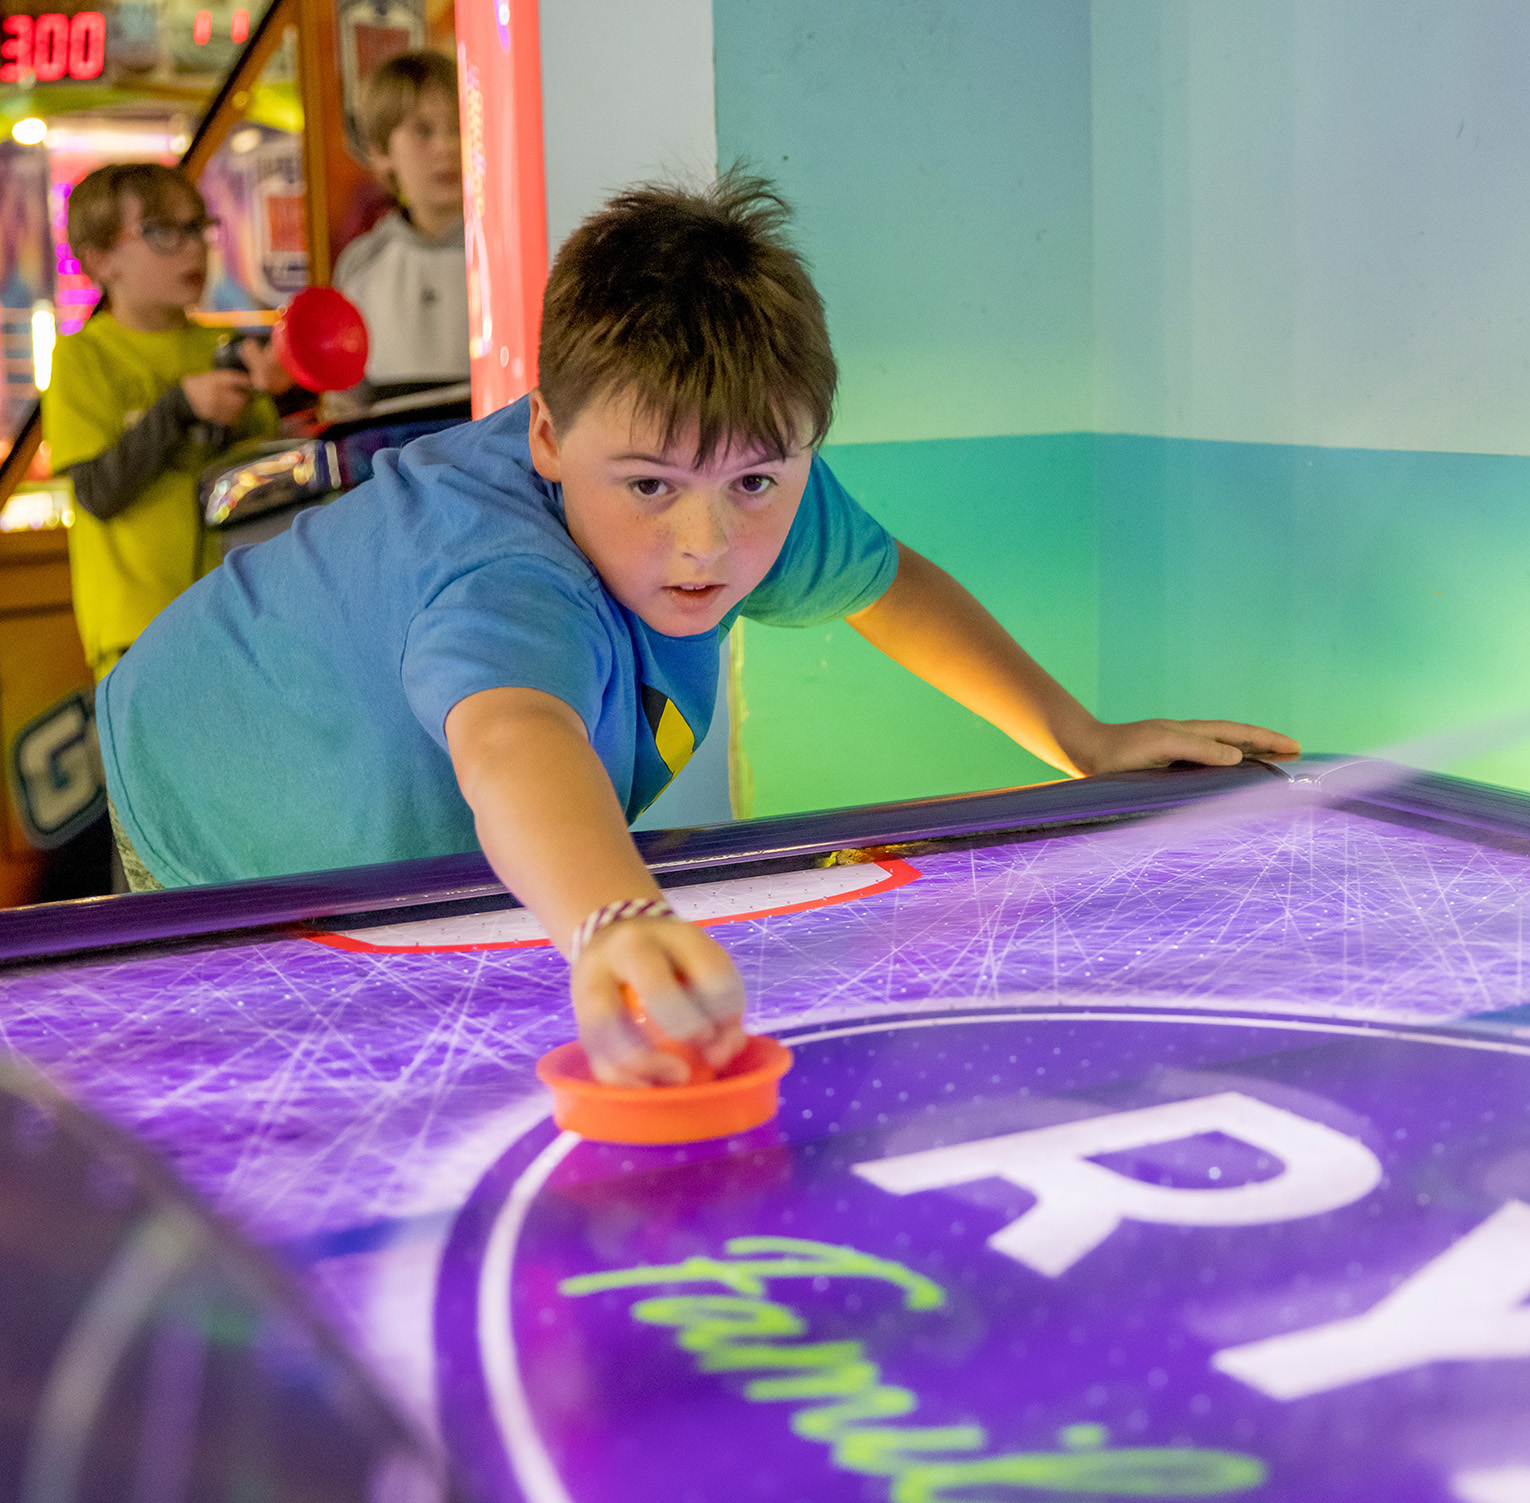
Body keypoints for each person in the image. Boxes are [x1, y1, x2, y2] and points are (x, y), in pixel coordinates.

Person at [97, 173, 1298, 1086]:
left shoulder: (726, 448)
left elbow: (889, 584)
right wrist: (619, 919)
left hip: (384, 782)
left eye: (758, 485)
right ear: (548, 441)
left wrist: (1078, 737)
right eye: (651, 488)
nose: (705, 544)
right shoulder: (506, 567)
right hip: (213, 780)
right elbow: (515, 737)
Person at [46, 163, 286, 681]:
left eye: (198, 227)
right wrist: (178, 408)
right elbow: (99, 492)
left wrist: (284, 395)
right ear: (100, 258)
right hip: (139, 632)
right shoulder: (82, 358)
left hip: (237, 615)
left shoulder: (221, 348)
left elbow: (270, 481)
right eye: (161, 232)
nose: (193, 248)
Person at [333, 49, 468, 400]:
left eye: (460, 127)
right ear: (379, 152)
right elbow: (347, 396)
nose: (447, 146)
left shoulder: (508, 254)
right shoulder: (360, 264)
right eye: (423, 131)